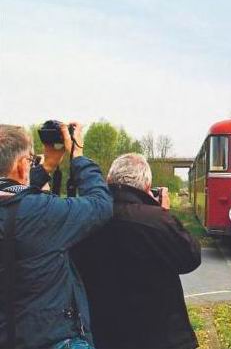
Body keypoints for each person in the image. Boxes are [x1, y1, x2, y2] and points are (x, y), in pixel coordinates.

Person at [0, 123, 113, 349]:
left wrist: (48, 166)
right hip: (51, 337)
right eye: (31, 161)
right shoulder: (39, 213)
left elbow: (14, 193)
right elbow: (101, 205)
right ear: (23, 167)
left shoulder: (23, 210)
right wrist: (78, 156)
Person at [71, 153, 201, 349]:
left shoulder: (87, 216)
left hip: (104, 332)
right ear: (147, 186)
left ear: (108, 180)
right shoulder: (157, 220)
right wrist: (162, 213)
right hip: (161, 335)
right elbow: (190, 258)